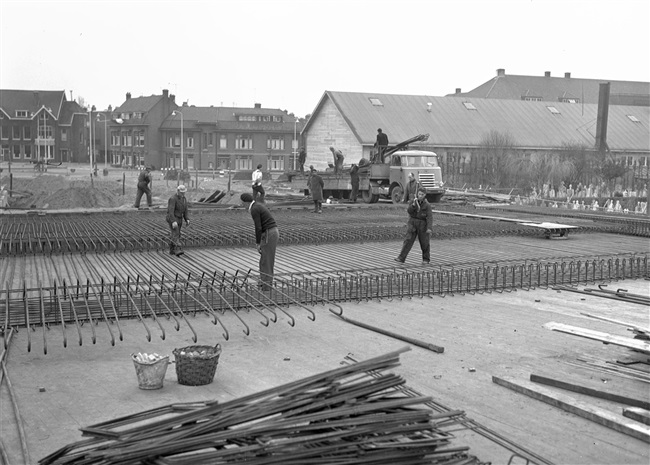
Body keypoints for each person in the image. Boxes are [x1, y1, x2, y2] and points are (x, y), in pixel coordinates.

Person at [240, 193, 279, 292]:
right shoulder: (256, 206)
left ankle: (267, 287)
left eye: (242, 202)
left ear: (245, 202)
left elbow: (258, 227)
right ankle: (264, 283)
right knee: (264, 260)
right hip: (269, 233)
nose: (241, 205)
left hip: (269, 233)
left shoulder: (254, 209)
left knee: (267, 261)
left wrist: (257, 243)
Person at [395, 188, 434, 265]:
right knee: (408, 240)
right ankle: (401, 258)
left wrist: (429, 228)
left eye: (422, 195)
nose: (420, 196)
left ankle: (426, 259)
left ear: (425, 195)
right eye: (419, 194)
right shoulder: (414, 202)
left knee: (424, 242)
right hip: (412, 222)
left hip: (422, 224)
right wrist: (413, 206)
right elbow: (409, 211)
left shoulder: (427, 205)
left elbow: (429, 217)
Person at [166, 184, 190, 256]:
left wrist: (187, 219)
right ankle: (177, 249)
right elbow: (170, 211)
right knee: (176, 233)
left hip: (179, 218)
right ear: (178, 191)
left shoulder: (184, 199)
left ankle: (172, 249)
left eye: (184, 192)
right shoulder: (173, 199)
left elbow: (185, 209)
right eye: (181, 192)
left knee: (177, 233)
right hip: (172, 217)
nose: (183, 194)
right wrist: (173, 221)